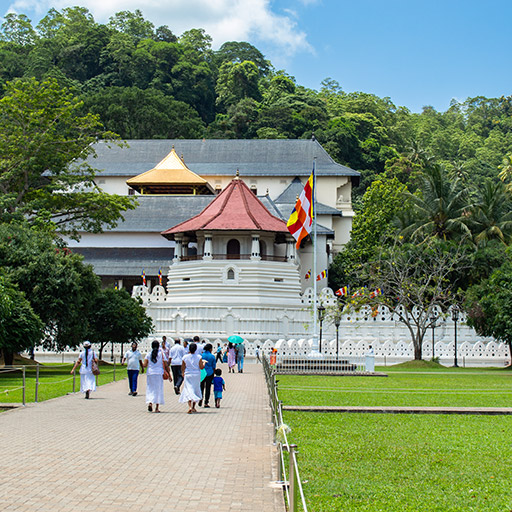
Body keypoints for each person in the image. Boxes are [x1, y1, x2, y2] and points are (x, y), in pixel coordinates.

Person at [143, 340, 170, 413]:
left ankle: (150, 403)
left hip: (150, 373)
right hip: (159, 373)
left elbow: (145, 365)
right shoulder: (161, 354)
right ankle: (157, 407)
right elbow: (166, 365)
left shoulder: (148, 354)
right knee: (158, 389)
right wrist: (169, 375)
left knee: (150, 388)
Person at [179, 342, 205, 414]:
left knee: (188, 389)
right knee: (195, 389)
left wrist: (183, 373)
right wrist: (204, 363)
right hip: (196, 375)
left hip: (188, 374)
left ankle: (190, 406)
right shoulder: (199, 357)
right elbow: (201, 367)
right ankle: (193, 407)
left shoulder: (185, 357)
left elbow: (183, 367)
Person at [199, 343, 216, 408]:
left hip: (202, 373)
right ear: (210, 349)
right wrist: (213, 373)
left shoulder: (201, 355)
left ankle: (200, 398)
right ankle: (206, 402)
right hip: (210, 373)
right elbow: (214, 366)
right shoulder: (212, 356)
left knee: (201, 387)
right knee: (208, 388)